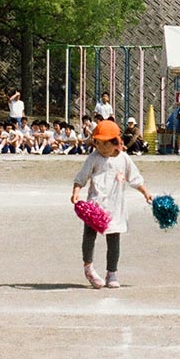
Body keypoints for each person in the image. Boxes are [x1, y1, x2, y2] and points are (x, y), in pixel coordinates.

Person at [71, 120, 151, 289]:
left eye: (102, 143)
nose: (98, 146)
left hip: (116, 207)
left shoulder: (124, 159)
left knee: (114, 239)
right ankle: (89, 268)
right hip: (95, 206)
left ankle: (112, 272)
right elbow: (81, 177)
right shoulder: (93, 158)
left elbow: (134, 178)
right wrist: (76, 192)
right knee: (89, 236)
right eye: (96, 142)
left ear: (114, 142)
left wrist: (145, 192)